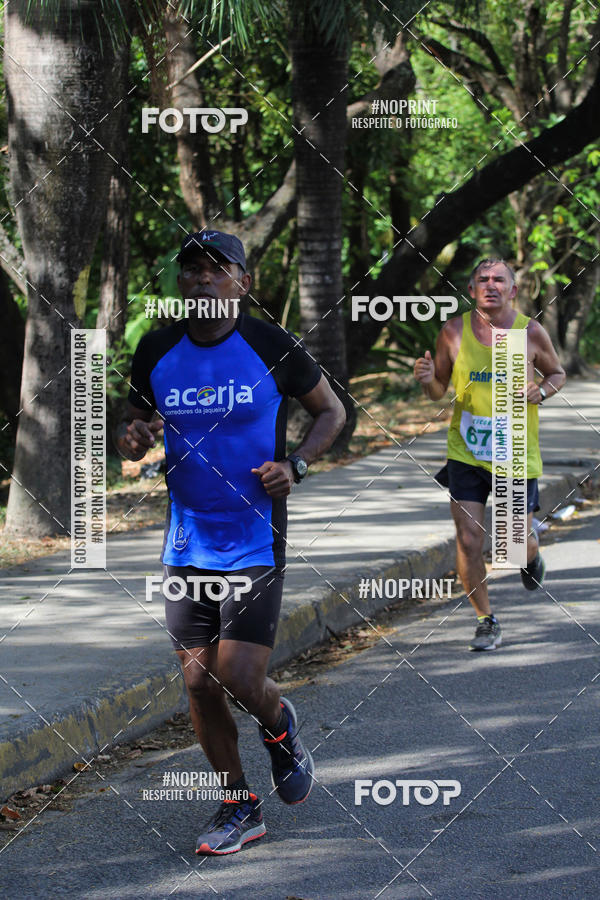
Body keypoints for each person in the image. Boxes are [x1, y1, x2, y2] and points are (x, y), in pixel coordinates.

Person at [115, 230, 346, 853]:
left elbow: (332, 412)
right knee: (195, 683)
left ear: (244, 282)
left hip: (255, 539)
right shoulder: (157, 349)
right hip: (187, 542)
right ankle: (239, 805)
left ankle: (280, 727)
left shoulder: (272, 346)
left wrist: (295, 466)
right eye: (191, 269)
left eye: (219, 269)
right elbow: (132, 422)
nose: (203, 279)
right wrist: (132, 438)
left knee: (240, 676)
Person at [414, 258, 566, 651]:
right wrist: (429, 382)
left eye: (500, 280)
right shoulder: (453, 331)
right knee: (468, 538)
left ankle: (530, 556)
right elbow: (439, 390)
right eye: (482, 279)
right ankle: (486, 620)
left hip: (515, 451)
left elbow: (557, 373)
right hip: (466, 452)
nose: (491, 285)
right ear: (471, 290)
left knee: (514, 544)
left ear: (513, 291)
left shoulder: (529, 331)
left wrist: (542, 391)